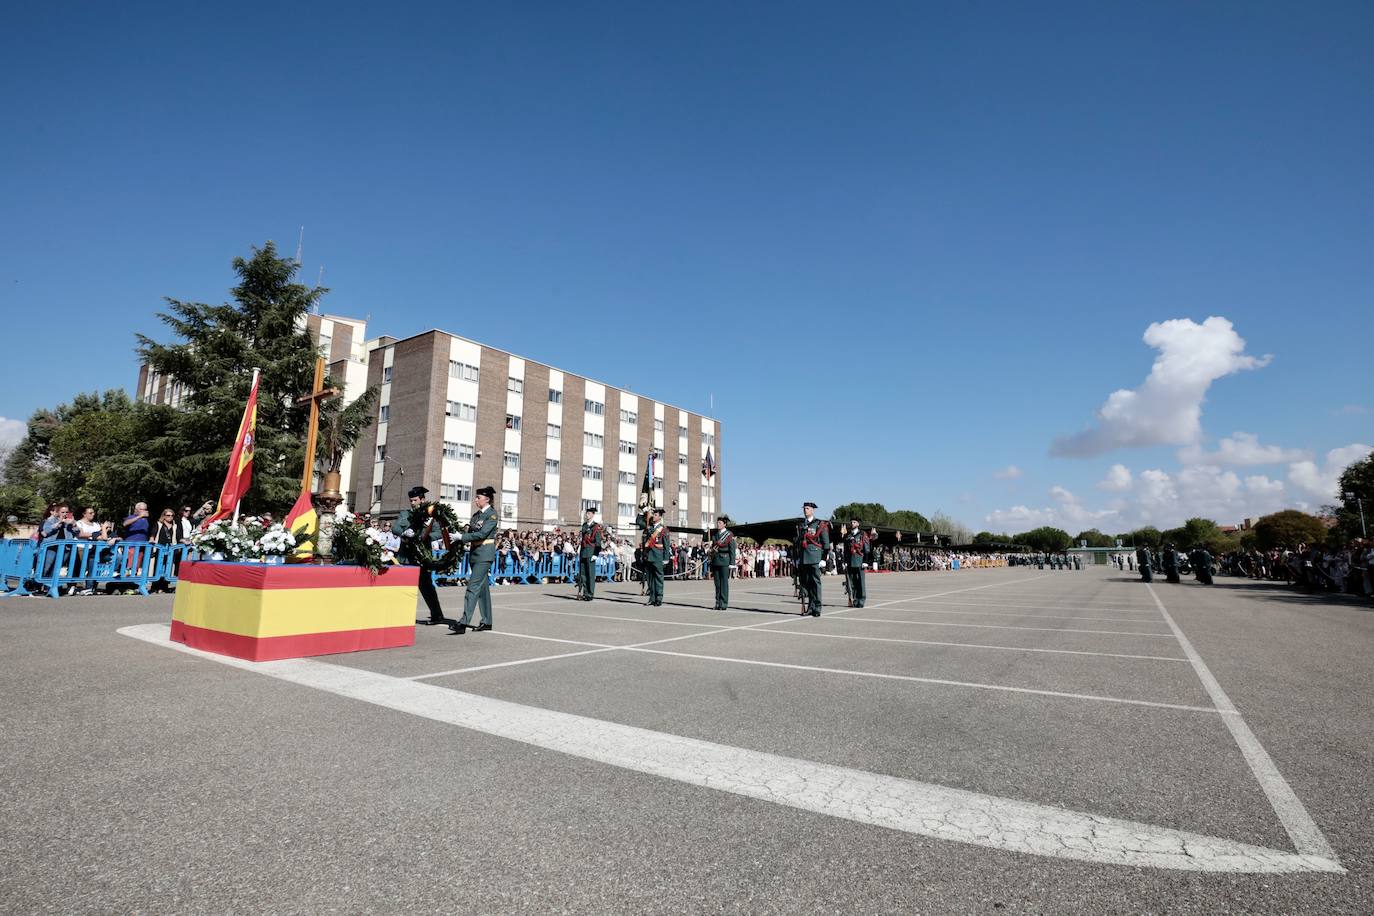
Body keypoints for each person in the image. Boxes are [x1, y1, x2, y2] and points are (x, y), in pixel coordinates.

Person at [393, 486, 452, 627]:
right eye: (411, 500)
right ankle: (401, 615)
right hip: (405, 556)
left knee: (426, 587)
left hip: (421, 556)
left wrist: (423, 536)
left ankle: (437, 615)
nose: (412, 503)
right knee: (403, 588)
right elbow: (396, 528)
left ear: (422, 499)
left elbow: (439, 532)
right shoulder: (405, 514)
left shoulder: (430, 516)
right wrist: (404, 532)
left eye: (415, 500)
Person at [451, 485, 498, 634]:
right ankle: (487, 621)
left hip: (484, 554)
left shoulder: (492, 515)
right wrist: (458, 536)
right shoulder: (476, 516)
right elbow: (471, 532)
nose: (475, 500)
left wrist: (462, 537)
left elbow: (482, 534)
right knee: (482, 590)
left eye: (478, 497)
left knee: (473, 587)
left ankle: (464, 622)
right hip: (475, 553)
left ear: (487, 499)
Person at [794, 502, 830, 616]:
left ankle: (817, 607)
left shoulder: (819, 524)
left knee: (815, 584)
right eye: (804, 508)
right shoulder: (801, 525)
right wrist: (797, 558)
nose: (805, 510)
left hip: (815, 558)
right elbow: (798, 542)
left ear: (813, 510)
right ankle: (810, 606)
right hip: (804, 558)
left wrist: (823, 558)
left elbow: (826, 543)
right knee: (806, 584)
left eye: (808, 508)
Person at [637, 505, 671, 606]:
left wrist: (666, 558)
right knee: (650, 579)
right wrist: (642, 512)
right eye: (653, 514)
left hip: (658, 556)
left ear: (660, 517)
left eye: (655, 515)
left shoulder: (663, 529)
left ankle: (658, 598)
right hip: (649, 556)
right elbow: (639, 523)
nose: (653, 517)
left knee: (658, 578)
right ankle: (652, 598)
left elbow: (666, 545)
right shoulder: (649, 527)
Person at [708, 515, 737, 610]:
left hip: (724, 559)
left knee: (724, 583)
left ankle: (723, 603)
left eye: (720, 523)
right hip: (716, 560)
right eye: (717, 522)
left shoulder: (729, 535)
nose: (718, 524)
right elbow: (713, 546)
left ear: (725, 524)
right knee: (717, 583)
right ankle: (717, 603)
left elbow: (732, 549)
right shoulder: (715, 535)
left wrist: (732, 563)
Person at [576, 507, 604, 601]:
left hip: (591, 552)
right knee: (583, 574)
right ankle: (585, 592)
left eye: (588, 513)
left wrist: (595, 554)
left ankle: (590, 594)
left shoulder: (596, 527)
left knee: (590, 574)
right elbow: (583, 539)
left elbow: (598, 542)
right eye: (586, 513)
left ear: (592, 514)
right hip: (583, 552)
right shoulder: (584, 525)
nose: (586, 515)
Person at [842, 517, 869, 607]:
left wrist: (865, 561)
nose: (852, 523)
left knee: (860, 581)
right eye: (851, 522)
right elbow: (846, 550)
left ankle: (861, 600)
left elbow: (866, 549)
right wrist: (845, 561)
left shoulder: (862, 534)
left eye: (854, 522)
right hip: (850, 561)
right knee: (852, 582)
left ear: (858, 524)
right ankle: (855, 599)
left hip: (859, 560)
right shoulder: (848, 535)